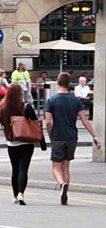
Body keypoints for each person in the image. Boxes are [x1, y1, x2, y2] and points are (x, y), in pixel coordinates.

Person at [44, 72, 102, 205]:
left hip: (58, 137)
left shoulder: (51, 100)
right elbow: (85, 120)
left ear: (58, 83)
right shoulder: (75, 100)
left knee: (55, 167)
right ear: (69, 84)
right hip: (72, 137)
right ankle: (66, 192)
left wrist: (50, 135)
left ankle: (62, 184)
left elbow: (47, 122)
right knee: (66, 166)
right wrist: (94, 137)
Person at [0, 83, 39, 205]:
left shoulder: (3, 109)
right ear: (19, 94)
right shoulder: (26, 107)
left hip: (12, 143)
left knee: (15, 169)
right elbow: (36, 123)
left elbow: (3, 125)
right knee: (23, 169)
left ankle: (15, 195)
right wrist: (41, 142)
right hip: (26, 142)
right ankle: (21, 193)